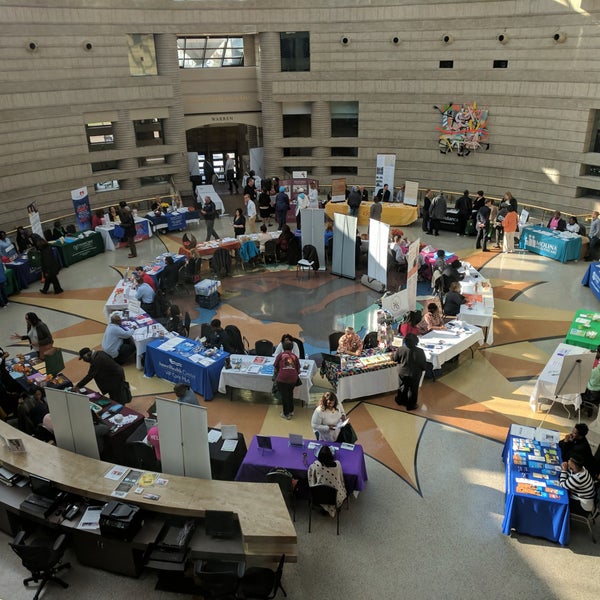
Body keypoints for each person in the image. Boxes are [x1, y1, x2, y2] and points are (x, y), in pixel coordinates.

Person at [307, 445, 347, 517]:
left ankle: (323, 507)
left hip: (318, 496)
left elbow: (310, 474)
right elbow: (341, 479)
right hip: (335, 497)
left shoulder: (316, 466)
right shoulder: (338, 464)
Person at [393, 333, 427, 410]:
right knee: (413, 389)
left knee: (402, 386)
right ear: (416, 342)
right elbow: (423, 364)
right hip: (414, 373)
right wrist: (422, 369)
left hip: (402, 372)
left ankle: (400, 400)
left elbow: (395, 359)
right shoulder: (420, 351)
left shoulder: (400, 349)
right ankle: (411, 405)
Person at [273, 339, 300, 420]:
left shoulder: (280, 355)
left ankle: (286, 414)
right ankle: (291, 411)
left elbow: (275, 367)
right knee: (290, 394)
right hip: (293, 379)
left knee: (284, 396)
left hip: (282, 379)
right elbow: (298, 370)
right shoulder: (294, 357)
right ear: (292, 348)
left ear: (282, 347)